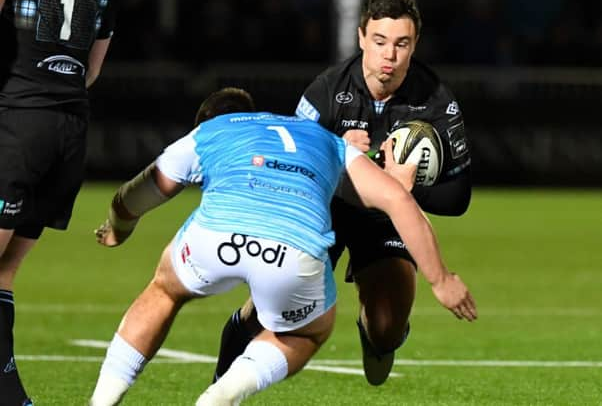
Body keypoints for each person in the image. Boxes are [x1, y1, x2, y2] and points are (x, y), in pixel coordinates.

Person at [88, 87, 476, 406]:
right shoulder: (327, 139)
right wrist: (440, 280)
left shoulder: (209, 132)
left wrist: (118, 226)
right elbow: (398, 200)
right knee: (306, 333)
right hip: (293, 253)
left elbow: (142, 191)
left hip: (215, 238)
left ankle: (102, 401)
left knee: (164, 290)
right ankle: (223, 394)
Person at [213, 0, 474, 386]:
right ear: (361, 38)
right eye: (380, 42)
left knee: (386, 328)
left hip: (386, 218)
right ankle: (236, 338)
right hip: (322, 210)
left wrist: (409, 187)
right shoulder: (327, 92)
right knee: (267, 312)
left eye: (402, 44)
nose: (390, 55)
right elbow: (288, 173)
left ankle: (375, 331)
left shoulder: (438, 102)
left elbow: (458, 198)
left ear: (414, 44)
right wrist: (330, 155)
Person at [0, 0, 118, 404]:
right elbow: (93, 70)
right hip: (68, 130)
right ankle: (11, 397)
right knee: (4, 273)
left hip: (17, 121)